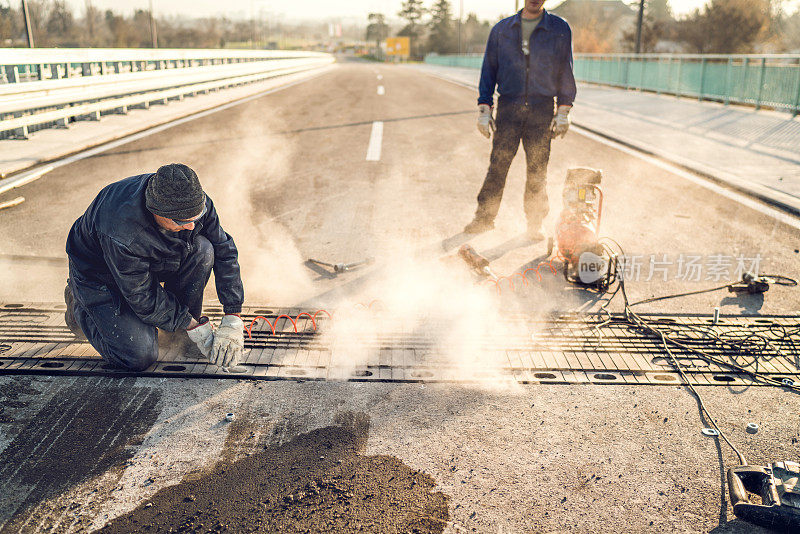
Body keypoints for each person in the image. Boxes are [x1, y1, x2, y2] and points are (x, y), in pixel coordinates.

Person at [64, 163, 245, 371]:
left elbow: (224, 250)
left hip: (146, 259)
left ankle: (178, 334)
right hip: (101, 274)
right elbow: (142, 296)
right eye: (182, 222)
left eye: (196, 216)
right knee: (139, 356)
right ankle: (79, 304)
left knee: (203, 249)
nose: (191, 226)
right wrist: (193, 325)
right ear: (158, 212)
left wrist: (233, 316)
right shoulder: (122, 231)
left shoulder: (193, 200)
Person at [464, 0, 577, 240]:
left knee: (538, 169)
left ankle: (534, 223)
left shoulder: (559, 28)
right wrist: (484, 109)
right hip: (509, 108)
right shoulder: (502, 30)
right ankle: (484, 218)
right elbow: (489, 70)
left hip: (542, 108)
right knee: (498, 165)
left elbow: (565, 70)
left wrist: (564, 110)